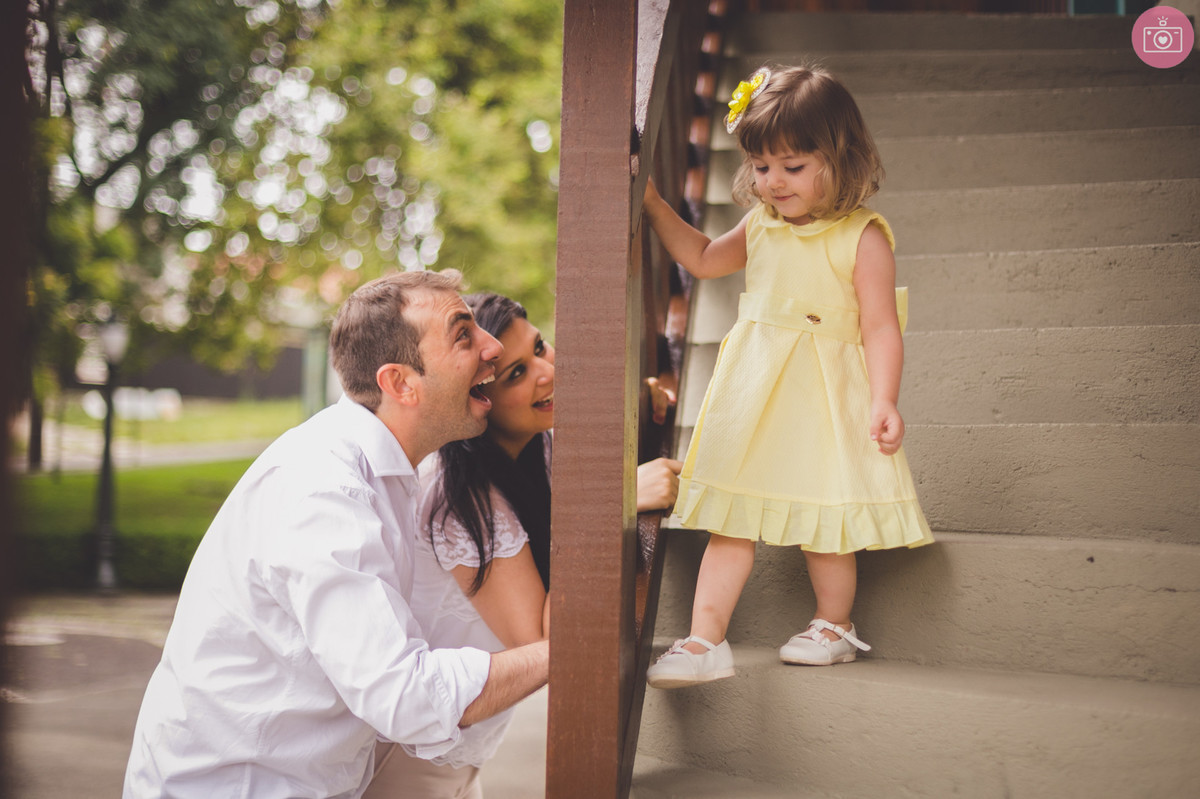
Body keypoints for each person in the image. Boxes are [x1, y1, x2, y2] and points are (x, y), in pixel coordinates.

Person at [123, 270, 550, 799]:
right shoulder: (326, 491)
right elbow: (404, 696)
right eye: (463, 334)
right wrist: (567, 651)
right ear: (400, 383)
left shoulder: (387, 472)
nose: (491, 347)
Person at [641, 64, 934, 689]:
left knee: (822, 517)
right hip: (754, 396)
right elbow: (699, 257)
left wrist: (885, 398)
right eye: (762, 166)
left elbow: (881, 326)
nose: (773, 182)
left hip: (824, 396)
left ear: (840, 157)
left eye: (792, 166)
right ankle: (703, 640)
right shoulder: (761, 227)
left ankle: (835, 626)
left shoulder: (863, 237)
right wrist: (651, 202)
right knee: (732, 518)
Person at [366, 292, 681, 797]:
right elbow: (542, 641)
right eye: (515, 373)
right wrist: (613, 505)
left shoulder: (540, 445)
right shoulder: (458, 499)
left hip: (467, 745)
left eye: (540, 347)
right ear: (479, 394)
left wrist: (642, 401)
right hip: (415, 761)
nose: (547, 371)